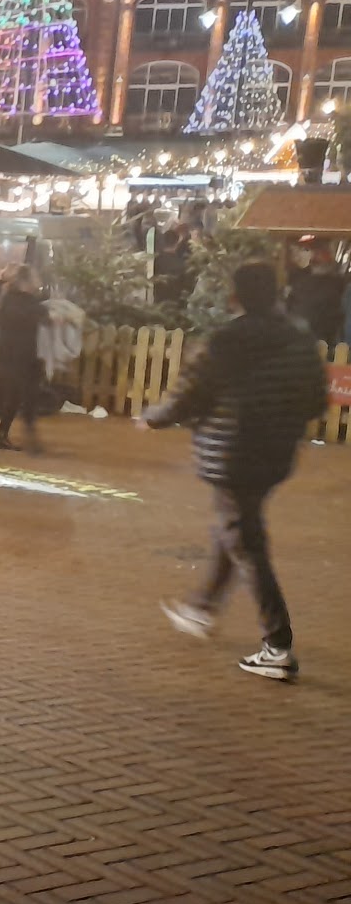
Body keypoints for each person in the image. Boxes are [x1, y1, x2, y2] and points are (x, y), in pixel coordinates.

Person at [145, 261, 327, 683]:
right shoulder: (299, 339)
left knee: (246, 540)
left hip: (232, 452)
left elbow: (190, 394)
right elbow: (316, 400)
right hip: (275, 453)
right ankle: (202, 608)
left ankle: (277, 646)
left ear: (235, 296)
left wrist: (153, 418)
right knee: (236, 526)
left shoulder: (226, 340)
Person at [0, 263, 49, 453]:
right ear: (25, 281)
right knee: (20, 395)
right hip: (20, 354)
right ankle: (11, 434)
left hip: (14, 353)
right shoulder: (23, 301)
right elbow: (41, 316)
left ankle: (10, 433)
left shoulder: (8, 298)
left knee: (21, 394)